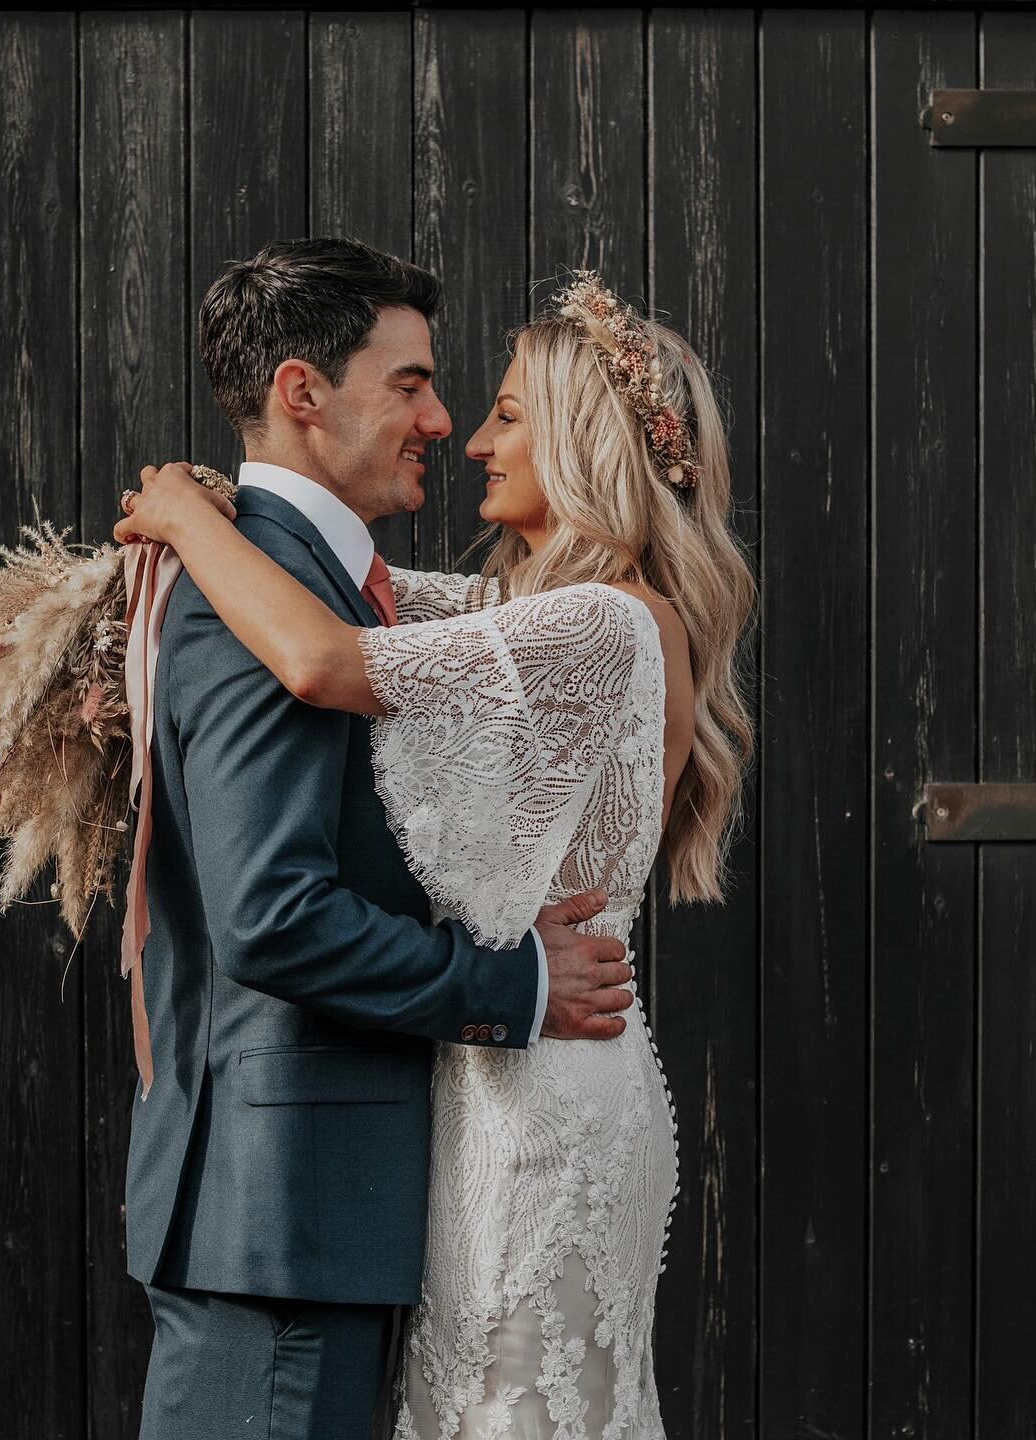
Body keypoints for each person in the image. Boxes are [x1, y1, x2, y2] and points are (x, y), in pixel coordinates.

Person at [117, 265, 755, 1437]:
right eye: (430, 391)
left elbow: (323, 657)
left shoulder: (599, 622)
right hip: (489, 1067)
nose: (466, 436)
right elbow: (348, 593)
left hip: (543, 1069)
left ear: (579, 440)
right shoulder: (515, 615)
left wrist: (188, 518)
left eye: (507, 413)